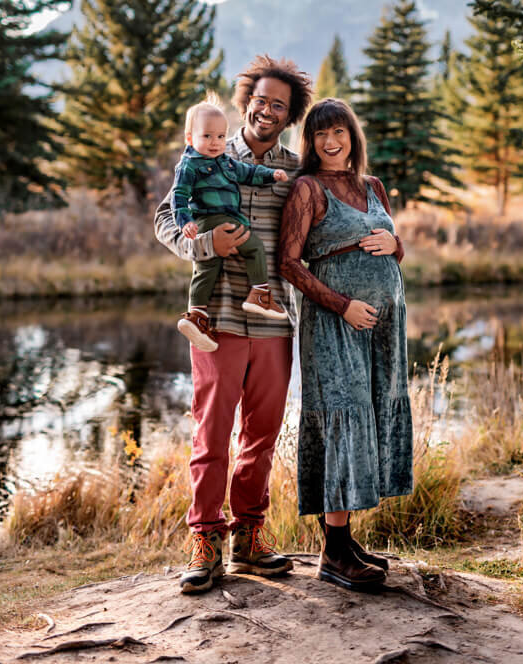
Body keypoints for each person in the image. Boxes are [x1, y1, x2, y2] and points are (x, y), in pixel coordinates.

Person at [154, 55, 313, 594]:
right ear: (246, 100)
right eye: (261, 99)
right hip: (215, 320)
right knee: (211, 433)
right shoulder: (208, 149)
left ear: (289, 116)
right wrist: (199, 243)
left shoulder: (296, 169)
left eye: (279, 105)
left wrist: (387, 238)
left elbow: (327, 220)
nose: (267, 110)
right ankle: (205, 540)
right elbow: (164, 218)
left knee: (261, 435)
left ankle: (249, 536)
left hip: (273, 320)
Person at [279, 97, 413, 592]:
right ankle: (334, 554)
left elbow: (392, 246)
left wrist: (397, 246)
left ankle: (345, 540)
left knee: (371, 412)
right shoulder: (308, 190)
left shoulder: (373, 186)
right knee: (343, 414)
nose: (331, 142)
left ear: (352, 135)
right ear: (310, 143)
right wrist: (342, 305)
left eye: (338, 132)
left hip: (384, 325)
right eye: (320, 135)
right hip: (336, 321)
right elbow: (289, 264)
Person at [172, 95, 289, 353]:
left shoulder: (225, 161)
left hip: (217, 222)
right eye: (207, 137)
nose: (215, 143)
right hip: (212, 220)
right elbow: (178, 196)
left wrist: (271, 175)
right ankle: (259, 293)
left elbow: (249, 173)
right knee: (255, 247)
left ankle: (197, 316)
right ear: (190, 138)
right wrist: (185, 222)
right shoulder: (189, 164)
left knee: (207, 269)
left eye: (221, 137)